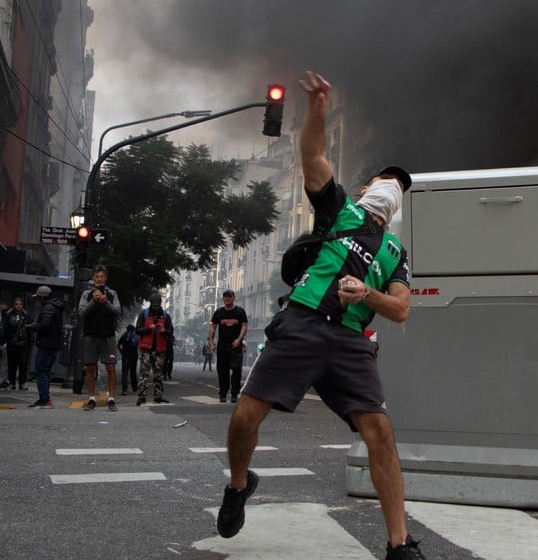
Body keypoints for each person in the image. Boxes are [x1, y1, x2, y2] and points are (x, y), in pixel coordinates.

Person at [217, 71, 423, 559]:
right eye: (386, 179)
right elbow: (311, 158)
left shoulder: (396, 251)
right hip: (303, 323)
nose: (393, 185)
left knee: (381, 435)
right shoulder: (340, 212)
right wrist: (318, 111)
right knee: (246, 416)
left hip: (351, 343)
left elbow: (401, 308)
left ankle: (400, 543)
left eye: (401, 186)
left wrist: (367, 295)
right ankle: (239, 485)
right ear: (369, 186)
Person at [77, 265, 122, 412]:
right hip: (91, 335)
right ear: (93, 278)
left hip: (108, 335)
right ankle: (91, 399)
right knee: (90, 367)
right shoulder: (86, 294)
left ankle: (111, 399)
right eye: (97, 277)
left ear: (106, 278)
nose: (99, 279)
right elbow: (81, 312)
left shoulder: (112, 293)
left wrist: (105, 302)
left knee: (110, 367)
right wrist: (94, 301)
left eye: (102, 276)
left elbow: (117, 310)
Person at [28, 286, 66, 409]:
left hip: (46, 343)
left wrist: (33, 326)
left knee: (41, 370)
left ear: (42, 297)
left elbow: (45, 325)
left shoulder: (48, 308)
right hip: (53, 344)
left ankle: (44, 399)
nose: (37, 300)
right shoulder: (55, 308)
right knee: (46, 371)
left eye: (38, 297)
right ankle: (45, 398)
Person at [208, 289, 248, 403]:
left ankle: (234, 393)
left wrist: (239, 339)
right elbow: (212, 328)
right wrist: (211, 343)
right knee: (222, 371)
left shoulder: (240, 312)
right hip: (222, 347)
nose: (227, 299)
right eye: (225, 297)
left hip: (236, 346)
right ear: (223, 298)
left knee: (236, 370)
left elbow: (244, 326)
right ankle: (223, 393)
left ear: (234, 298)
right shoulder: (218, 313)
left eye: (229, 296)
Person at [134, 294, 173, 406]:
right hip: (146, 348)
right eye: (154, 305)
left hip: (160, 349)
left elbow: (171, 332)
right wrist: (148, 328)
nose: (156, 307)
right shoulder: (144, 314)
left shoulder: (165, 316)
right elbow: (137, 330)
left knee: (158, 374)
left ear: (160, 303)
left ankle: (158, 396)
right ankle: (142, 396)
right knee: (144, 374)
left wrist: (163, 330)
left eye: (157, 305)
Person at [0, 297, 32, 390]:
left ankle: (22, 383)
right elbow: (5, 329)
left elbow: (30, 329)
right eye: (16, 304)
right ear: (14, 305)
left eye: (20, 304)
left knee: (23, 363)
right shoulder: (9, 315)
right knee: (11, 363)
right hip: (11, 341)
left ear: (22, 305)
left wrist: (30, 342)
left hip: (24, 342)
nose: (18, 306)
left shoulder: (27, 315)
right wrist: (2, 341)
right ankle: (12, 383)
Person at [117, 324, 139, 395]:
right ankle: (135, 388)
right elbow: (138, 346)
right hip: (134, 357)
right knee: (133, 372)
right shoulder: (135, 336)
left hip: (125, 357)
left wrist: (122, 352)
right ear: (133, 329)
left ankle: (124, 390)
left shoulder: (124, 336)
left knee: (125, 373)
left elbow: (118, 345)